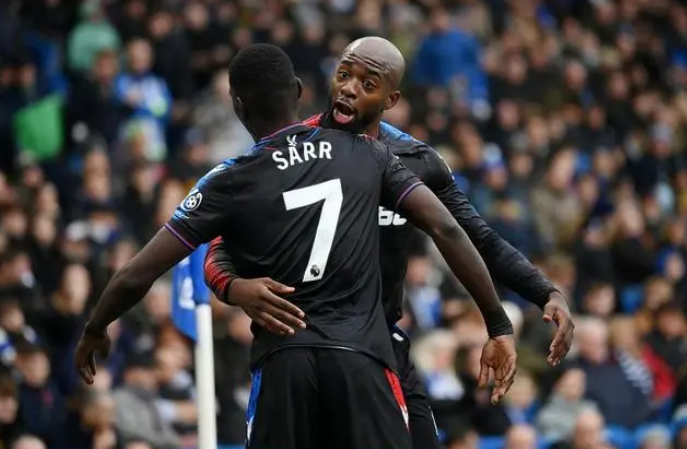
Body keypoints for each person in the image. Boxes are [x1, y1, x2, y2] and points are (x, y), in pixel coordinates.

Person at [74, 44, 517, 449]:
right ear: (300, 92)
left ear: (237, 105)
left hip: (284, 364)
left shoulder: (229, 179)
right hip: (361, 360)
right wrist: (496, 323)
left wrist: (96, 325)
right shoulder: (366, 154)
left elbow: (137, 273)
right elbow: (447, 229)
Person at [203, 36, 575, 449]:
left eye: (367, 83)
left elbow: (475, 237)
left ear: (391, 98)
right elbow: (220, 247)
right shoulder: (289, 152)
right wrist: (234, 287)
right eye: (344, 74)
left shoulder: (416, 160)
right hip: (298, 347)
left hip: (378, 347)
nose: (349, 89)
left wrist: (544, 292)